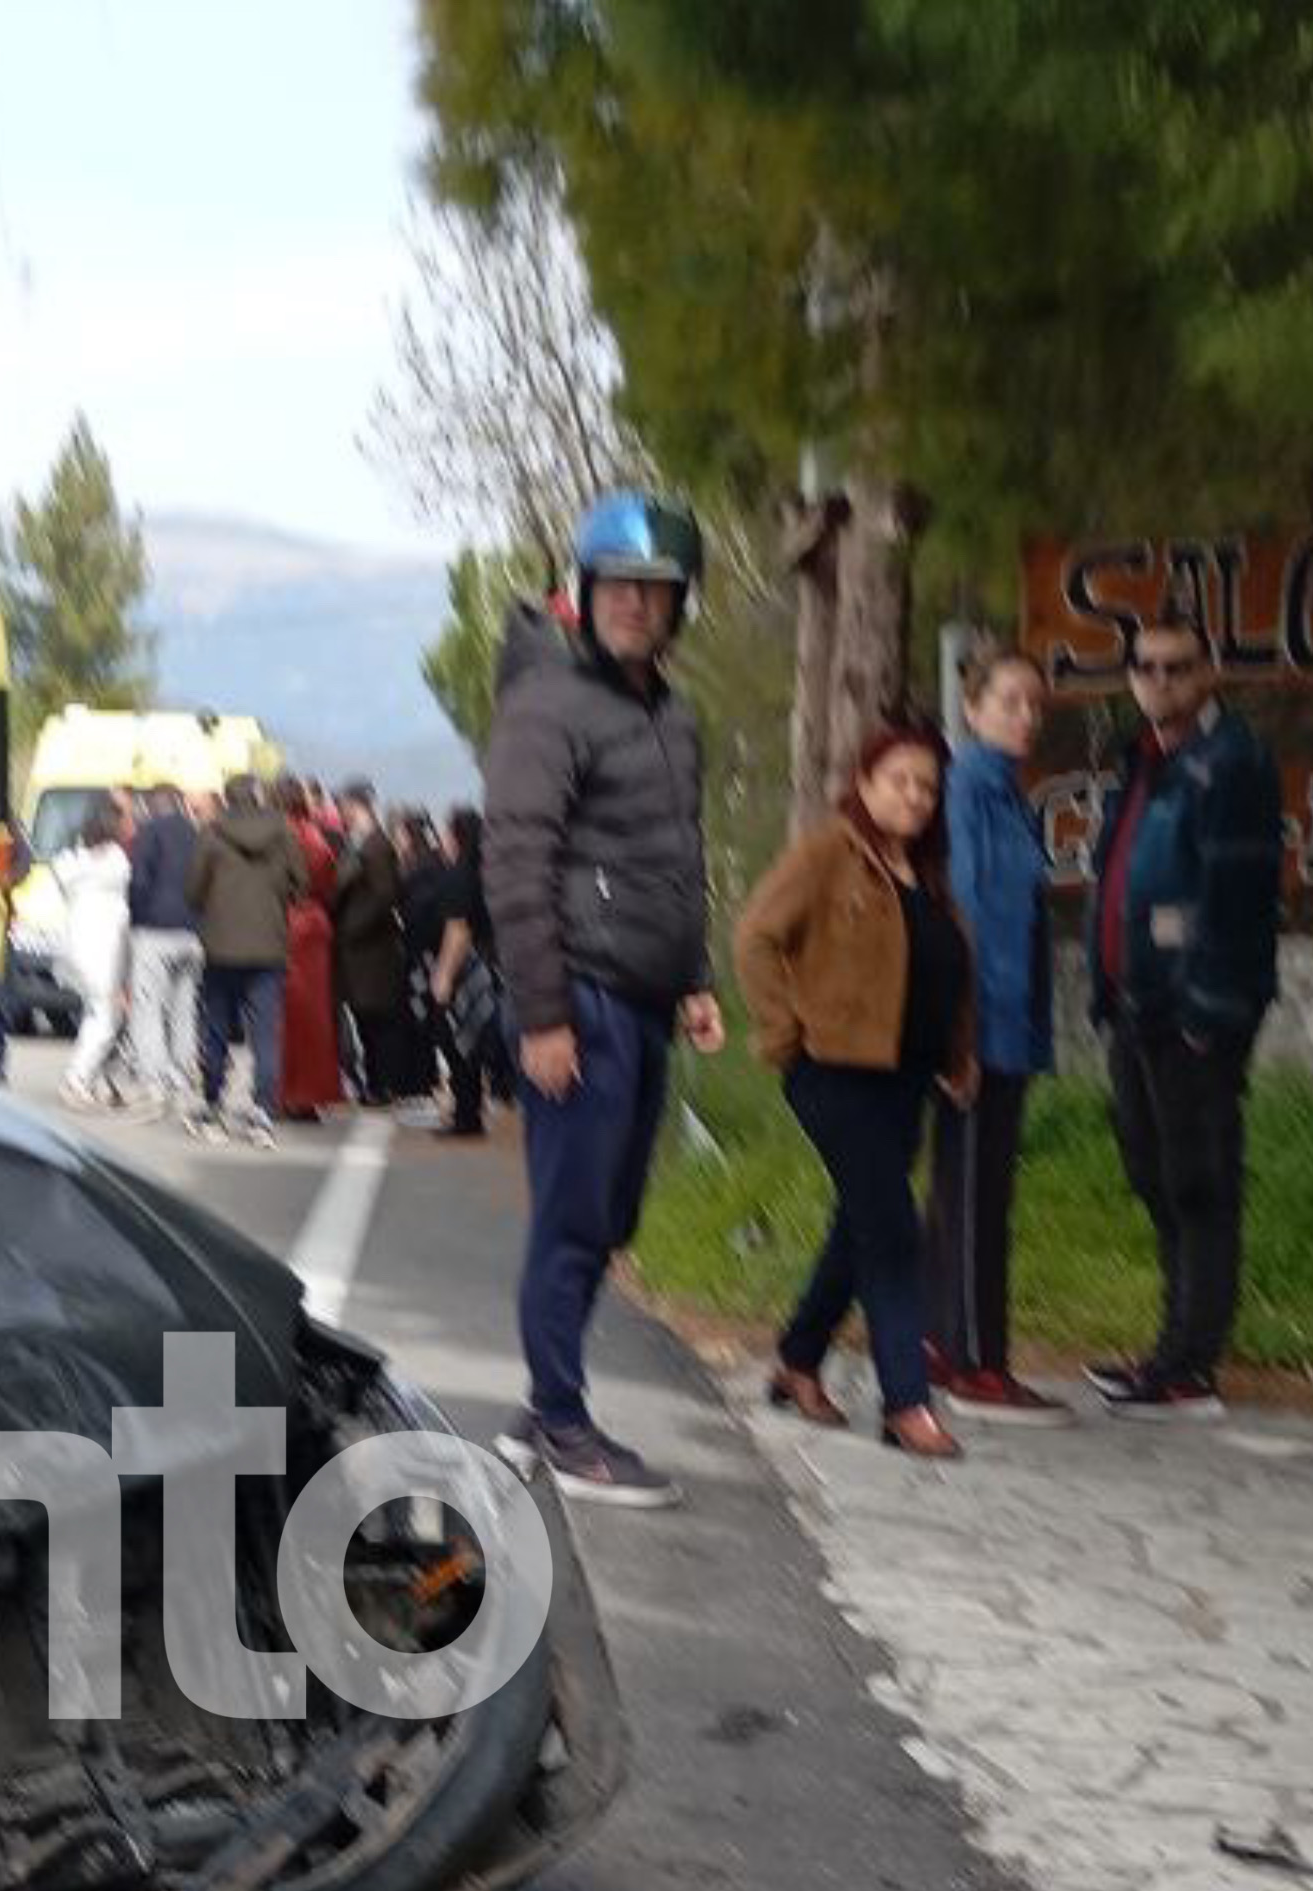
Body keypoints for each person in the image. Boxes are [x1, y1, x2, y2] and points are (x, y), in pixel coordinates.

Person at [485, 492, 722, 1506]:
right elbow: (516, 858)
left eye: (655, 591)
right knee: (576, 1217)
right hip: (576, 997)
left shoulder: (671, 715)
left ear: (678, 607)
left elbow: (675, 860)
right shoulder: (547, 704)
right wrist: (542, 1015)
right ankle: (558, 1419)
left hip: (642, 994)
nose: (636, 604)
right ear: (586, 591)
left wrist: (695, 978)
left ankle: (547, 1402)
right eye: (620, 586)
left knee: (611, 1212)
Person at [736, 719, 976, 1462]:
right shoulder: (829, 854)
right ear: (866, 784)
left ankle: (798, 1359)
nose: (914, 795)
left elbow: (946, 975)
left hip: (906, 1079)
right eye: (899, 779)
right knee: (894, 1228)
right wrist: (784, 1034)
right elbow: (755, 937)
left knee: (862, 1223)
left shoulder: (928, 873)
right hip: (833, 1073)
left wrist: (956, 1056)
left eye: (927, 785)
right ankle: (907, 1402)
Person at [1083, 619, 1281, 1416]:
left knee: (1200, 1180)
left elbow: (1238, 896)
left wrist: (1208, 1013)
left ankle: (1192, 1364)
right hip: (1136, 1006)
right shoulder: (1147, 759)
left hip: (1191, 1013)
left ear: (1210, 672)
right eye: (1145, 667)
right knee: (1153, 1170)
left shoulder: (1233, 761)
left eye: (1177, 667)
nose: (1159, 681)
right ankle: (1170, 1349)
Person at [931, 650, 1070, 1419]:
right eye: (1010, 701)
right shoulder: (973, 787)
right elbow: (971, 911)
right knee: (976, 1192)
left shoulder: (1009, 794)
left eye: (1034, 705)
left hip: (1010, 1025)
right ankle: (976, 1359)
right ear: (975, 708)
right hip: (984, 1028)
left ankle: (944, 1338)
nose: (1025, 716)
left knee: (971, 1186)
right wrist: (967, 1033)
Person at [187, 773, 303, 1142]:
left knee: (217, 1027)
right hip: (268, 945)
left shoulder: (211, 833)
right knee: (265, 1033)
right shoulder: (283, 832)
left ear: (227, 798)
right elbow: (302, 884)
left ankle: (212, 1103)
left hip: (221, 945)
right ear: (257, 797)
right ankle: (264, 1111)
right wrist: (275, 895)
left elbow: (193, 888)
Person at [396, 804, 483, 1135]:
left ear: (458, 836)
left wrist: (443, 973)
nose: (442, 838)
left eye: (448, 832)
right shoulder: (475, 870)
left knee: (457, 1041)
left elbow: (457, 928)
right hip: (474, 967)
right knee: (464, 1042)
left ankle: (466, 1115)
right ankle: (467, 1111)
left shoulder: (459, 875)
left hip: (461, 969)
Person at [120, 782, 204, 1120]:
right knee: (184, 1008)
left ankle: (154, 1081)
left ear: (150, 806)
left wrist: (136, 918)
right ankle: (182, 1077)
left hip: (155, 931)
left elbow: (138, 881)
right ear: (180, 803)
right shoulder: (198, 833)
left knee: (148, 1007)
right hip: (193, 933)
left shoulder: (149, 833)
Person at [52, 803, 140, 1111]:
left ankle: (98, 1082)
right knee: (106, 1017)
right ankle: (77, 1078)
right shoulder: (116, 862)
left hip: (77, 942)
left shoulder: (70, 862)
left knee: (97, 1013)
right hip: (105, 945)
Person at [329, 779, 411, 1108]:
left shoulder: (376, 845)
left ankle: (381, 1085)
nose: (340, 811)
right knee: (366, 1020)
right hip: (360, 950)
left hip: (371, 950)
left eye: (343, 805)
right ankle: (375, 1083)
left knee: (376, 1022)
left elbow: (385, 895)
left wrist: (351, 929)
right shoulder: (361, 841)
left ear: (356, 805)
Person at [276, 775, 346, 1120]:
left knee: (281, 1014)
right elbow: (329, 879)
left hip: (283, 921)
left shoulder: (276, 836)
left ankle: (283, 1091)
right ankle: (308, 1095)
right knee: (314, 1017)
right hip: (313, 925)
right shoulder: (315, 836)